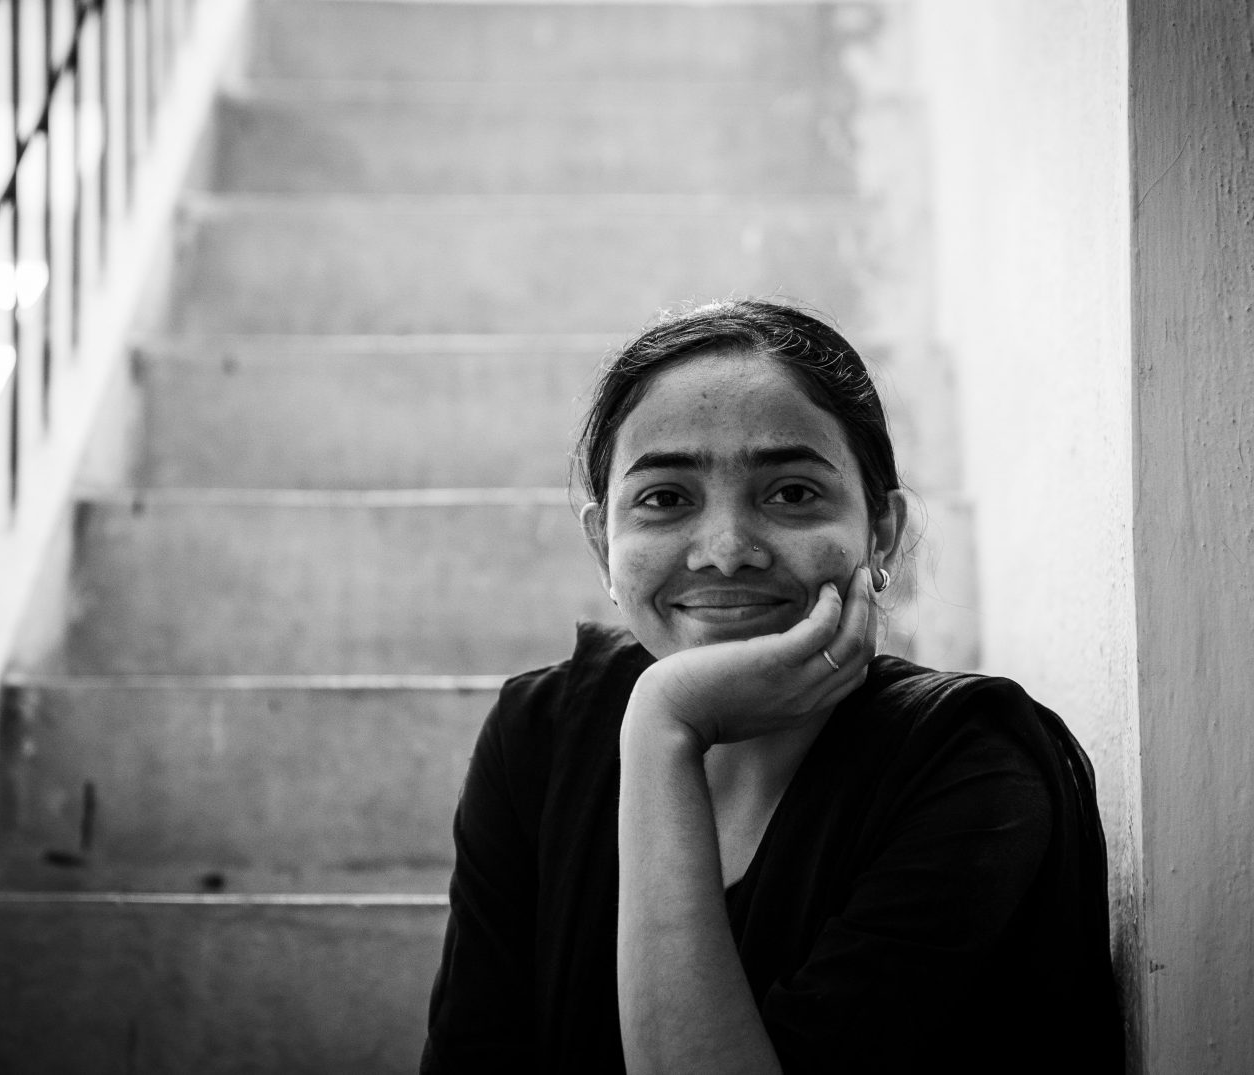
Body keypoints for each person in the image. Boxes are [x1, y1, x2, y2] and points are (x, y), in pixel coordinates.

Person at [420, 299, 1124, 1073]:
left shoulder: (974, 768)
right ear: (603, 543)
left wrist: (664, 726)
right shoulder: (539, 734)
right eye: (665, 498)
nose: (725, 550)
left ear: (880, 533)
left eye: (790, 493)